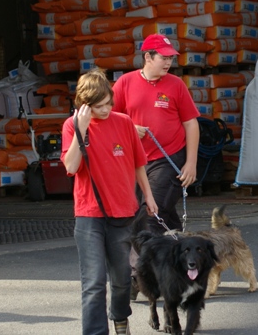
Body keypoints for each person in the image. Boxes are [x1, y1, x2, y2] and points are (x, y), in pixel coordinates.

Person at [61, 69, 159, 335]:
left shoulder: (124, 122)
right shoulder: (72, 126)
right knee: (93, 282)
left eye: (108, 104)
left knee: (122, 278)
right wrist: (81, 130)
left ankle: (120, 316)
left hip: (123, 211)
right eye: (98, 106)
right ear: (84, 105)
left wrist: (149, 196)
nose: (105, 110)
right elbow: (71, 167)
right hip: (89, 214)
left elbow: (139, 163)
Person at [112, 33, 200, 233]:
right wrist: (128, 129)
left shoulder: (176, 84)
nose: (168, 63)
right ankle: (180, 248)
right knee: (155, 214)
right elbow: (108, 118)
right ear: (148, 57)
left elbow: (191, 123)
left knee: (150, 217)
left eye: (171, 58)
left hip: (169, 158)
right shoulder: (125, 83)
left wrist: (191, 163)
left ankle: (145, 254)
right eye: (164, 57)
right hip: (136, 161)